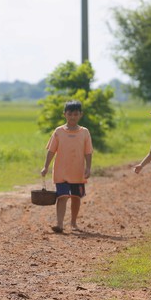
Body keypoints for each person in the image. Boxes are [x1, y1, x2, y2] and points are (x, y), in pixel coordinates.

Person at [40, 100, 93, 233]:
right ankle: (59, 224)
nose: (72, 117)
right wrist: (45, 167)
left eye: (75, 114)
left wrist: (88, 168)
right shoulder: (58, 131)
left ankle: (73, 223)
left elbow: (88, 152)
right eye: (70, 114)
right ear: (64, 114)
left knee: (76, 197)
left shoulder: (84, 132)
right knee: (62, 196)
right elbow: (51, 151)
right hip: (61, 171)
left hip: (77, 171)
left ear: (81, 114)